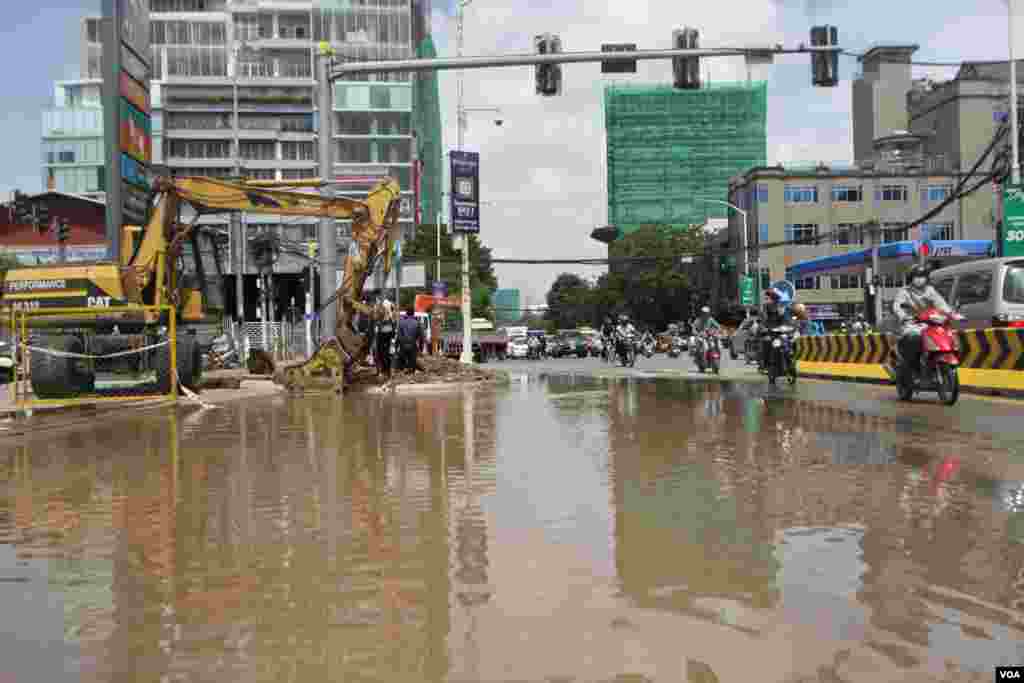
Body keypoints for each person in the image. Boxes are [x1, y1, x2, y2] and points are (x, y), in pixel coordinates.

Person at [891, 264, 959, 372]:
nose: (919, 279)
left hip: (930, 322)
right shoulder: (905, 291)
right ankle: (912, 367)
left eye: (922, 276)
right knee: (913, 336)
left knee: (948, 333)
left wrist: (952, 314)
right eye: (916, 276)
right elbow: (897, 306)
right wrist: (903, 316)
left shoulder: (930, 290)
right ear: (911, 278)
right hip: (912, 323)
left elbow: (941, 304)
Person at [760, 288, 795, 367]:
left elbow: (786, 319)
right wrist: (764, 328)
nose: (775, 299)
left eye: (776, 298)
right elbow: (764, 318)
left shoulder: (782, 307)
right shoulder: (766, 307)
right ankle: (765, 364)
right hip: (770, 331)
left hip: (781, 331)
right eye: (773, 297)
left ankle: (790, 361)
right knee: (767, 342)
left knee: (789, 342)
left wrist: (790, 326)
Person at [396, 305, 425, 373]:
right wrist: (420, 348)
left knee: (401, 367)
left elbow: (399, 337)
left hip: (403, 347)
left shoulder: (401, 323)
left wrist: (397, 347)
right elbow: (421, 338)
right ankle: (412, 370)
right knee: (412, 366)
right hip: (413, 347)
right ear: (414, 313)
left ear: (406, 313)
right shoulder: (417, 323)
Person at [375, 296, 397, 379]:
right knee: (389, 353)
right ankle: (388, 371)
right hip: (389, 331)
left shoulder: (381, 305)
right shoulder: (389, 305)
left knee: (381, 352)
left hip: (383, 332)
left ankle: (383, 371)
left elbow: (378, 318)